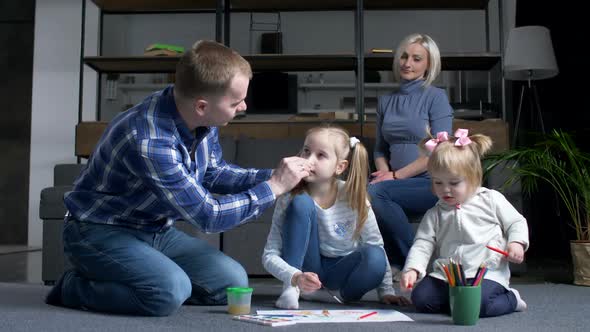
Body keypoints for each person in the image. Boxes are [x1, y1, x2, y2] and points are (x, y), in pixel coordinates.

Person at [44, 40, 314, 316]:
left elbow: (213, 173)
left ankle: (150, 278)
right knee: (168, 292)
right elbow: (208, 216)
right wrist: (274, 187)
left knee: (232, 282)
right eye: (236, 102)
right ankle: (74, 287)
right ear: (201, 106)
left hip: (155, 230)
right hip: (98, 230)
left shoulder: (200, 118)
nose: (243, 106)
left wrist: (274, 176)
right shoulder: (150, 140)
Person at [262, 125, 411, 310]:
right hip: (308, 268)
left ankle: (338, 298)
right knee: (301, 202)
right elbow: (269, 255)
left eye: (320, 155)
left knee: (376, 256)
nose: (309, 160)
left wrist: (386, 291)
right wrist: (294, 277)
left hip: (341, 273)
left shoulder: (355, 197)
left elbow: (376, 244)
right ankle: (293, 290)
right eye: (306, 151)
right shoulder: (289, 196)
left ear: (339, 167)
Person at [400, 129, 529, 317]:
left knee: (481, 305)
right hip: (448, 276)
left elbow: (516, 222)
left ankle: (511, 299)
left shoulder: (491, 200)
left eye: (454, 183)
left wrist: (516, 242)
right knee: (421, 299)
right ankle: (459, 302)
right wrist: (412, 269)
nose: (446, 190)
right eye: (438, 183)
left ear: (473, 177)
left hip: (486, 273)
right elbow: (423, 244)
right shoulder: (435, 213)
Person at [368, 33, 453, 272]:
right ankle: (391, 264)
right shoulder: (386, 101)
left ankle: (410, 264)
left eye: (417, 59)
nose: (407, 63)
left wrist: (395, 177)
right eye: (404, 57)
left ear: (429, 65)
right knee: (361, 193)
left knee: (376, 193)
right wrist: (384, 173)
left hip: (431, 183)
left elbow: (440, 149)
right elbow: (380, 148)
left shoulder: (436, 97)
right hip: (395, 182)